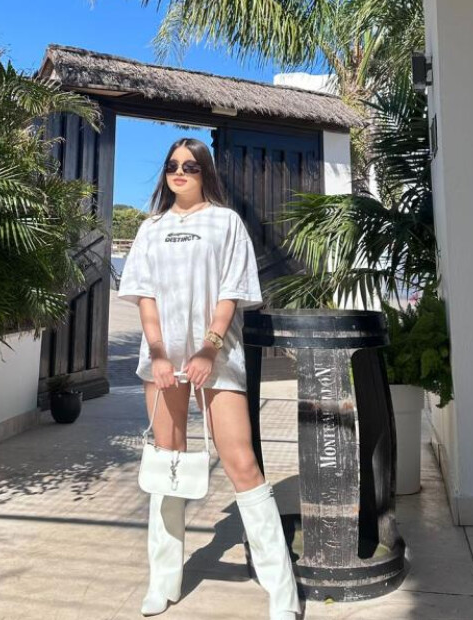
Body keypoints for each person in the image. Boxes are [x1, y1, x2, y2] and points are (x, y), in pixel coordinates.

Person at [117, 137, 301, 619]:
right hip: (163, 360)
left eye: (191, 166)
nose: (179, 172)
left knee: (241, 460)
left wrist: (209, 348)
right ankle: (163, 582)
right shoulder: (151, 228)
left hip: (217, 354)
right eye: (172, 165)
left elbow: (230, 292)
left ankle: (281, 589)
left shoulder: (226, 222)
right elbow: (145, 297)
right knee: (169, 462)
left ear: (205, 173)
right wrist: (159, 354)